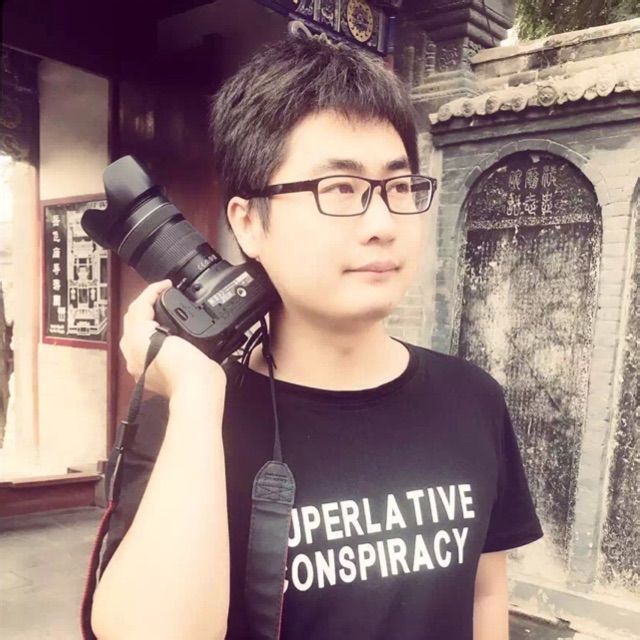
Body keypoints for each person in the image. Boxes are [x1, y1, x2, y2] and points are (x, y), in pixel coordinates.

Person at [88, 33, 543, 640]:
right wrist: (197, 395)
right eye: (340, 190)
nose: (382, 223)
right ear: (249, 223)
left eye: (399, 187)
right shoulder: (184, 416)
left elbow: (485, 591)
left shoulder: (474, 398)